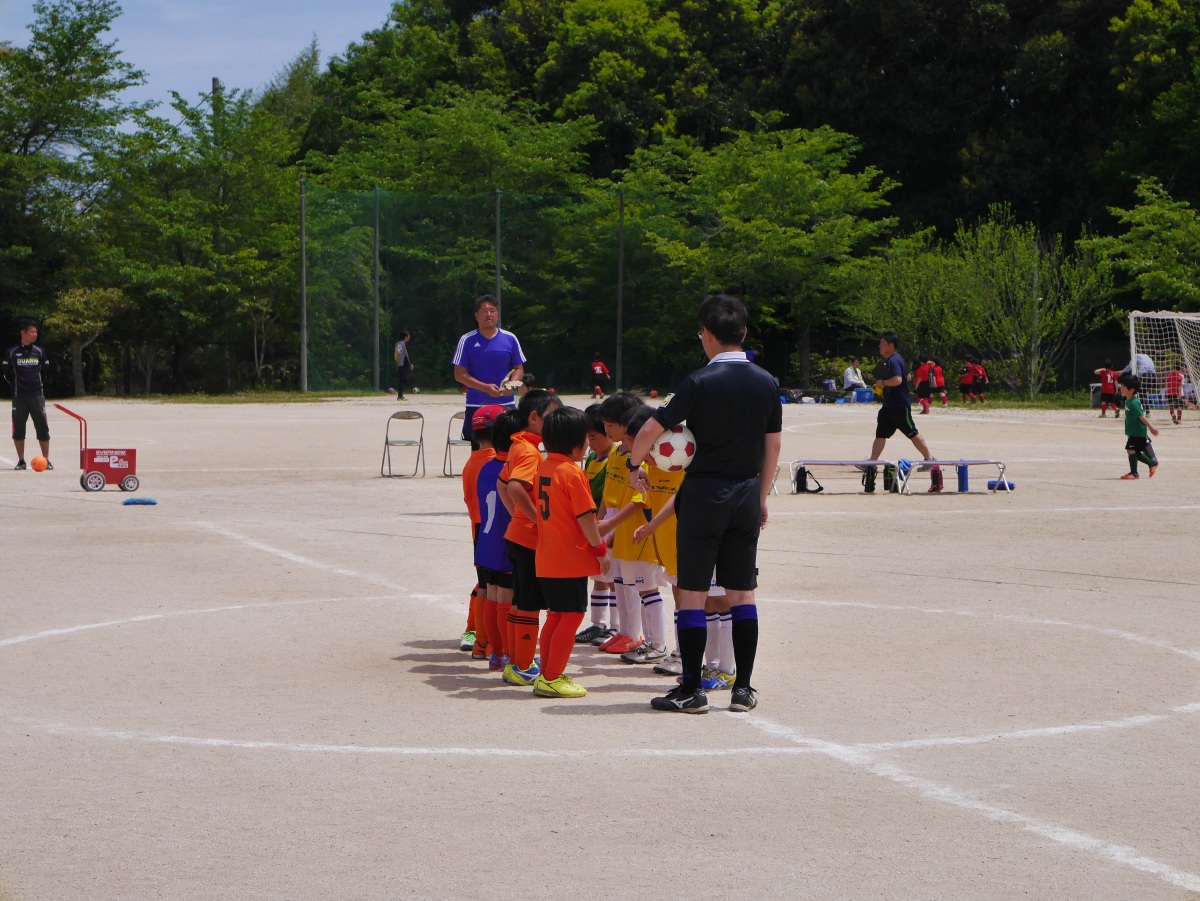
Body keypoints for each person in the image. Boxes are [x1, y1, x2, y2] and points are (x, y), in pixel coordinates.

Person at [627, 294, 782, 714]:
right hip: (746, 491)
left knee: (693, 593)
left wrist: (634, 465)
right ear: (743, 332)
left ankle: (691, 689)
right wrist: (761, 496)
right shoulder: (766, 382)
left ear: (708, 335)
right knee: (742, 593)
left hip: (703, 493)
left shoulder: (698, 382)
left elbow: (649, 429)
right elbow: (773, 446)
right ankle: (743, 688)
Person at [531, 406, 608, 698]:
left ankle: (547, 673)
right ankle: (551, 677)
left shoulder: (544, 467)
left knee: (556, 615)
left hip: (547, 555)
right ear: (576, 443)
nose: (588, 443)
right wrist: (600, 549)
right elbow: (586, 518)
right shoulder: (572, 473)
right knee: (571, 616)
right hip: (569, 558)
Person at [497, 388, 561, 685]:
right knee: (529, 603)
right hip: (528, 538)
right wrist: (537, 520)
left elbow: (503, 483)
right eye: (551, 416)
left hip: (517, 534)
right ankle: (522, 665)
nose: (555, 422)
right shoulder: (529, 451)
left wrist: (517, 516)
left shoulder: (519, 445)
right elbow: (514, 487)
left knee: (520, 599)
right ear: (534, 418)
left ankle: (517, 660)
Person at [865, 331, 940, 493]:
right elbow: (908, 376)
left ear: (891, 345)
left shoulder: (894, 360)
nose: (879, 345)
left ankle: (930, 459)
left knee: (911, 432)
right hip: (889, 405)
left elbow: (898, 380)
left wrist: (883, 382)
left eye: (882, 343)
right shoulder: (893, 360)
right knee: (880, 434)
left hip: (899, 405)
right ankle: (872, 462)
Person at [477, 411, 519, 672]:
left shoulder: (486, 467)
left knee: (492, 595)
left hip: (487, 539)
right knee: (505, 597)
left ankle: (495, 652)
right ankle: (507, 653)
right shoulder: (511, 470)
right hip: (505, 541)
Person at [460, 404, 503, 657]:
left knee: (484, 585)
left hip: (478, 529)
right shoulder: (496, 462)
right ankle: (490, 642)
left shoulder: (470, 463)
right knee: (496, 588)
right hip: (495, 529)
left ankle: (480, 641)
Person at [452, 295, 526, 443]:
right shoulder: (466, 340)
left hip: (506, 405)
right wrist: (485, 388)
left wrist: (511, 384)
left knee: (508, 448)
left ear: (497, 314)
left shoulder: (510, 338)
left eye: (492, 310)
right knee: (478, 450)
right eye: (484, 311)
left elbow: (519, 368)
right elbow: (459, 374)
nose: (489, 314)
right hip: (476, 405)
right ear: (476, 315)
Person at [575, 404, 617, 644]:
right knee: (598, 577)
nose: (590, 442)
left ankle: (616, 627)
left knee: (613, 579)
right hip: (594, 525)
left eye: (594, 436)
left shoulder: (615, 457)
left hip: (608, 523)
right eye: (587, 437)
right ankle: (598, 624)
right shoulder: (592, 458)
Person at [3, 319, 51, 470]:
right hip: (19, 397)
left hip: (37, 395)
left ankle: (46, 460)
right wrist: (17, 387)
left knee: (42, 428)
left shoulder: (39, 352)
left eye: (36, 332)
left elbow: (45, 373)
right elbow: (6, 374)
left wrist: (36, 386)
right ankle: (21, 461)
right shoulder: (12, 352)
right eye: (32, 332)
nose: (35, 334)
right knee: (18, 429)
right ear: (23, 332)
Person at [1117, 373, 1160, 479]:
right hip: (1134, 431)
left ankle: (1135, 473)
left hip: (1137, 432)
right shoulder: (1129, 401)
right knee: (1134, 452)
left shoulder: (1133, 403)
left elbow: (1142, 417)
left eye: (1123, 387)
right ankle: (1150, 464)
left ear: (1131, 390)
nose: (1121, 389)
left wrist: (1151, 427)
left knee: (1131, 450)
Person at [393, 330, 414, 400]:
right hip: (405, 364)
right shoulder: (404, 344)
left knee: (401, 380)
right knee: (404, 380)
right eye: (409, 336)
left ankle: (400, 396)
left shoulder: (397, 344)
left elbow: (396, 355)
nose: (409, 337)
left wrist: (397, 363)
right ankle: (400, 396)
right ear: (406, 336)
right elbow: (407, 354)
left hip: (399, 364)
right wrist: (410, 363)